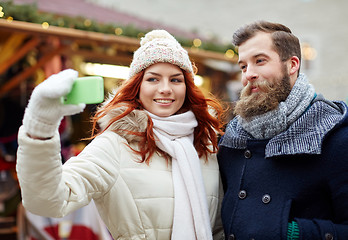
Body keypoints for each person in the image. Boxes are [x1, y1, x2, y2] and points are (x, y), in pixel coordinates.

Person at [16, 29, 226, 240]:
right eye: (153, 79)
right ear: (137, 87)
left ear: (187, 87)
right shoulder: (114, 145)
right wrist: (40, 128)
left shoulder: (207, 145)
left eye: (175, 80)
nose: (165, 89)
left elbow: (220, 228)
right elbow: (47, 201)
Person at [218, 20, 348, 240]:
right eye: (243, 66)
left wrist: (294, 233)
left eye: (260, 61)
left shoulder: (335, 136)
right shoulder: (231, 139)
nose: (249, 74)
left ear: (292, 65)